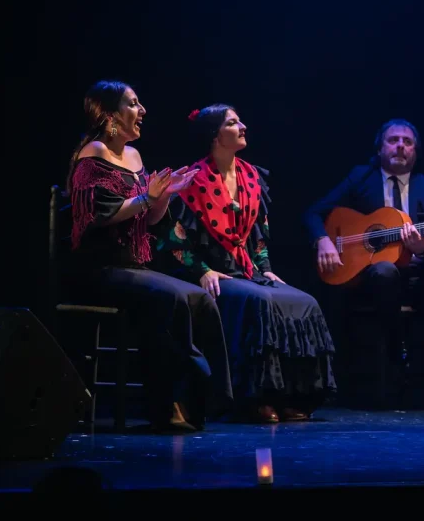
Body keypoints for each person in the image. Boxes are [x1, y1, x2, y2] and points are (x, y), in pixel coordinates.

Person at [152, 105, 337, 423]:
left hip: (248, 271)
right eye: (233, 122)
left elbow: (260, 237)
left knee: (304, 302)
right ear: (215, 134)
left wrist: (264, 267)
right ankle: (256, 398)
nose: (243, 127)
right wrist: (202, 271)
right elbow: (174, 240)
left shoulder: (253, 178)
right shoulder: (193, 181)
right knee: (259, 302)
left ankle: (293, 395)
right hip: (213, 271)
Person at [66, 81, 232, 432]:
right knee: (168, 298)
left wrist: (165, 195)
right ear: (111, 115)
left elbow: (148, 219)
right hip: (99, 268)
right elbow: (102, 214)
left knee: (200, 299)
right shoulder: (92, 154)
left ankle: (200, 402)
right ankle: (165, 405)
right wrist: (146, 198)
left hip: (132, 266)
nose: (142, 111)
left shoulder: (134, 157)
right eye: (133, 103)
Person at [304, 118, 424, 413]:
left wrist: (422, 247)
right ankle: (395, 351)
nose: (400, 146)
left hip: (421, 273)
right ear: (379, 148)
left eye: (407, 141)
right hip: (373, 279)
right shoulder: (360, 179)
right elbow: (315, 212)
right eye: (393, 140)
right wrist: (323, 241)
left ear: (416, 151)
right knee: (384, 270)